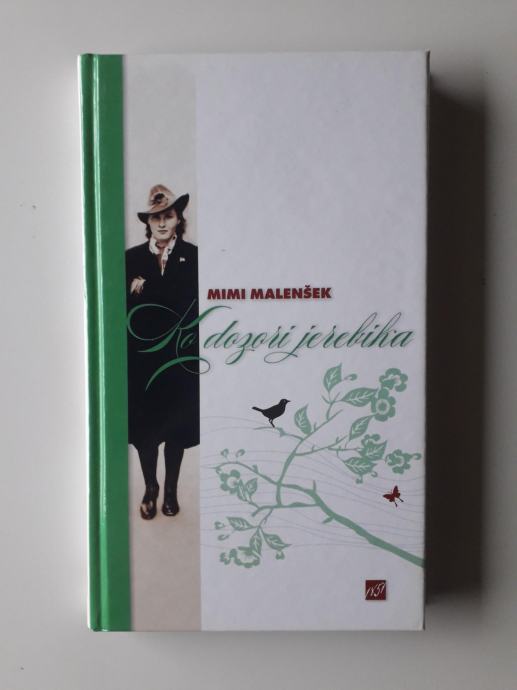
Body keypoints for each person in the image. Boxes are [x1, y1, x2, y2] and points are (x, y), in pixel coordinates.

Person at [125, 184, 199, 520]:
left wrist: (149, 287)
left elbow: (192, 303)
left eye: (168, 215)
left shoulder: (194, 256)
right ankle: (151, 487)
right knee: (146, 432)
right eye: (156, 218)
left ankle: (170, 491)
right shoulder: (130, 259)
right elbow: (123, 311)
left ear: (178, 218)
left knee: (177, 431)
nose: (163, 223)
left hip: (181, 360)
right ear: (148, 222)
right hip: (143, 361)